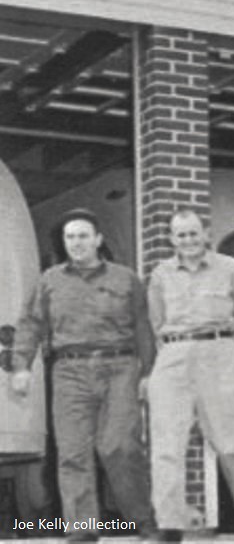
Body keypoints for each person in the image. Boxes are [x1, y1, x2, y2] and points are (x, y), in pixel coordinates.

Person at [11, 208, 157, 542]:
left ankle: (143, 519)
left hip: (119, 368)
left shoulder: (125, 278)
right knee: (73, 452)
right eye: (70, 237)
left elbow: (142, 326)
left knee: (120, 447)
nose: (76, 243)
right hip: (69, 371)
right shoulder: (50, 280)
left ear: (98, 240)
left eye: (83, 236)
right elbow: (31, 324)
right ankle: (82, 529)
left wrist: (148, 372)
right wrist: (21, 366)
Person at [146, 209, 234, 541]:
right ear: (172, 239)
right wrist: (172, 351)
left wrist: (231, 349)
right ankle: (170, 524)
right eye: (181, 234)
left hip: (218, 353)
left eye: (193, 233)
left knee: (228, 439)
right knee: (167, 444)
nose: (188, 240)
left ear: (205, 234)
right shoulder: (161, 274)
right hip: (173, 356)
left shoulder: (230, 268)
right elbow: (156, 322)